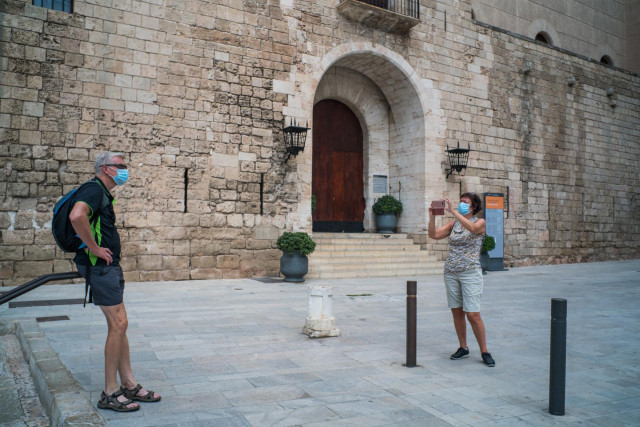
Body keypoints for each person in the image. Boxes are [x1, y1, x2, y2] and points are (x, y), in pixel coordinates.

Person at [69, 151, 161, 411]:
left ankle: (129, 383)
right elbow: (77, 216)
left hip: (107, 267)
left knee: (120, 324)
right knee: (119, 323)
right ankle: (110, 392)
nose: (125, 170)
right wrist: (95, 248)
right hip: (99, 267)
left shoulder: (102, 193)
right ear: (106, 169)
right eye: (121, 166)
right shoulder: (94, 189)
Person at [428, 193, 495, 367]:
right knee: (457, 311)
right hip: (451, 272)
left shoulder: (480, 223)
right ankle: (463, 347)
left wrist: (452, 211)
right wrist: (432, 217)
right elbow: (434, 235)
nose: (461, 205)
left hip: (470, 273)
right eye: (460, 202)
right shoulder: (454, 224)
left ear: (473, 207)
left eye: (465, 203)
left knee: (473, 314)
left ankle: (484, 350)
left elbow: (472, 230)